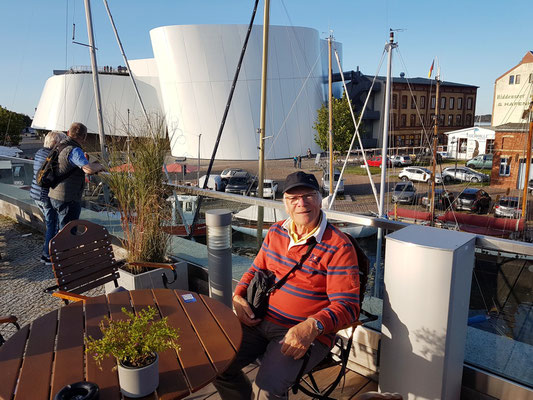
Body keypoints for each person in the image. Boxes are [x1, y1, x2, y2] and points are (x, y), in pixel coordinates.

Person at [214, 171, 360, 399]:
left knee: (265, 391)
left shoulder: (339, 247)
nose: (302, 203)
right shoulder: (275, 232)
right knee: (217, 365)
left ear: (320, 199)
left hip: (303, 332)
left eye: (309, 196)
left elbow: (348, 306)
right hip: (259, 319)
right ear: (285, 203)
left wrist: (312, 327)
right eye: (294, 198)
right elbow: (255, 270)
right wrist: (238, 296)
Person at [49, 122, 105, 230]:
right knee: (68, 232)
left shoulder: (59, 145)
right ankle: (66, 247)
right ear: (84, 137)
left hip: (54, 193)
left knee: (58, 229)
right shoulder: (74, 150)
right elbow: (88, 169)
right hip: (67, 197)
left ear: (69, 132)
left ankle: (55, 246)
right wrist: (100, 166)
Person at [30, 131, 68, 265]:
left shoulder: (39, 152)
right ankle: (47, 256)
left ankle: (47, 253)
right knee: (52, 225)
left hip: (35, 194)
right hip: (44, 195)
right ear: (56, 143)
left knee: (50, 224)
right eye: (61, 143)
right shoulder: (51, 155)